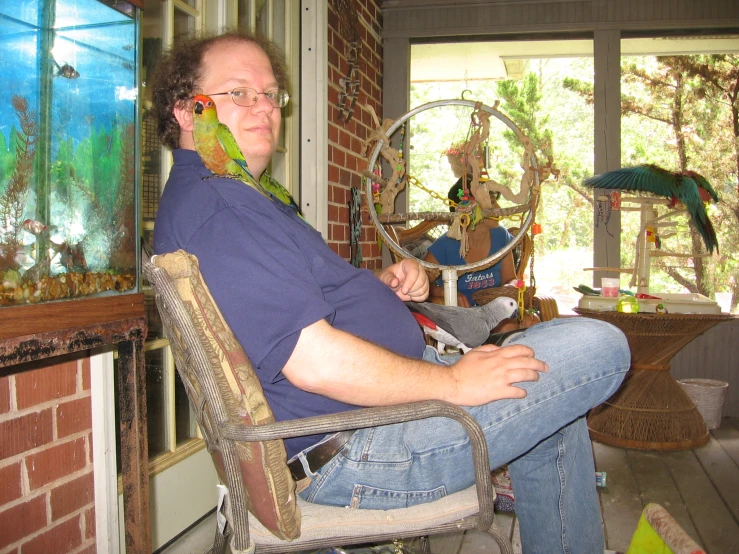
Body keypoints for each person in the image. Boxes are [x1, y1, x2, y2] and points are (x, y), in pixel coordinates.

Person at [150, 29, 630, 554]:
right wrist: (455, 387)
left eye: (269, 94)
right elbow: (314, 364)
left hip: (373, 421)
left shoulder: (230, 199)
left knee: (548, 404)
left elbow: (285, 312)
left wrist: (376, 289)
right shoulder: (221, 210)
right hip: (360, 450)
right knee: (597, 344)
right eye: (238, 93)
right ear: (185, 111)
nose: (263, 107)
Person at [424, 178, 518, 308]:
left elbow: (510, 278)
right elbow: (421, 285)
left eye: (495, 201)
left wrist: (511, 287)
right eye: (491, 202)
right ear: (468, 210)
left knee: (515, 325)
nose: (498, 208)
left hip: (498, 314)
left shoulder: (501, 236)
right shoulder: (444, 246)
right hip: (462, 319)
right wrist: (444, 292)